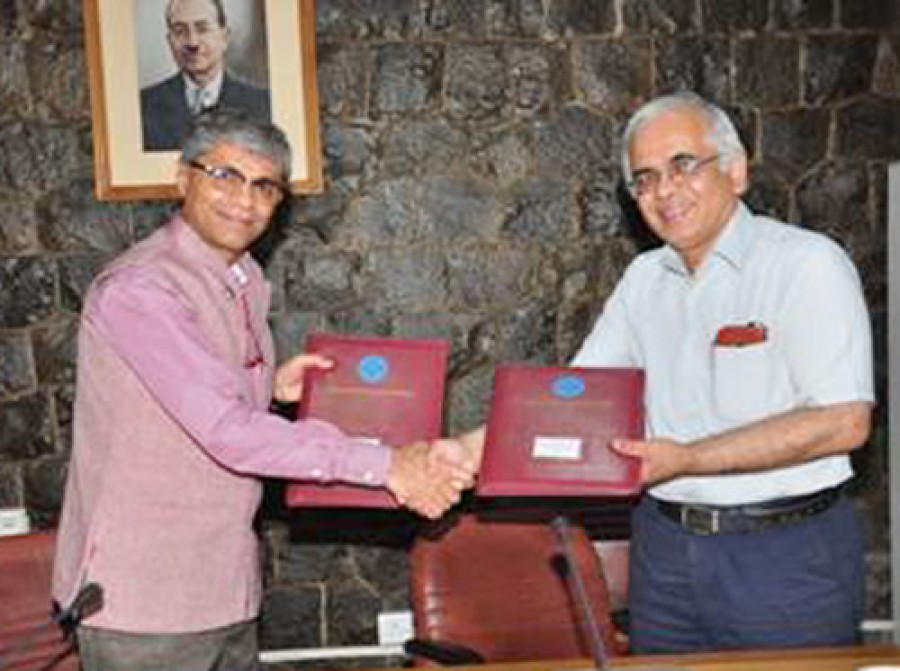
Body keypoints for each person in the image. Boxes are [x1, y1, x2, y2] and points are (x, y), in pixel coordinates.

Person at [52, 109, 475, 671]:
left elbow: (196, 397)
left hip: (223, 585)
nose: (244, 200)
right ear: (182, 178)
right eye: (224, 175)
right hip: (147, 603)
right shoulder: (141, 289)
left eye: (264, 186)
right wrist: (389, 465)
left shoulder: (244, 277)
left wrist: (272, 389)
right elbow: (226, 431)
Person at [457, 91, 874, 652]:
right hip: (665, 554)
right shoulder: (643, 280)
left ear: (736, 171)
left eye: (683, 165)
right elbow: (570, 406)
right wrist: (464, 450)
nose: (664, 190)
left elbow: (844, 422)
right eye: (645, 178)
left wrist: (688, 458)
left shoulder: (806, 264)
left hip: (785, 555)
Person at [140, 0, 271, 152]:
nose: (193, 43)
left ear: (224, 37)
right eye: (180, 31)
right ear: (169, 41)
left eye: (202, 29)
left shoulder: (262, 104)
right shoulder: (145, 106)